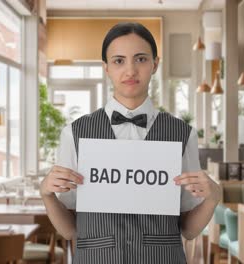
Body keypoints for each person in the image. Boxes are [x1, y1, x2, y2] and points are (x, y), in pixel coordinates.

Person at [40, 22, 220, 264]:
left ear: (155, 64)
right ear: (106, 68)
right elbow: (70, 230)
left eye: (141, 59)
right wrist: (47, 195)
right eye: (118, 61)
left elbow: (188, 229)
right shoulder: (74, 133)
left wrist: (213, 197)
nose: (130, 70)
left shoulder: (182, 133)